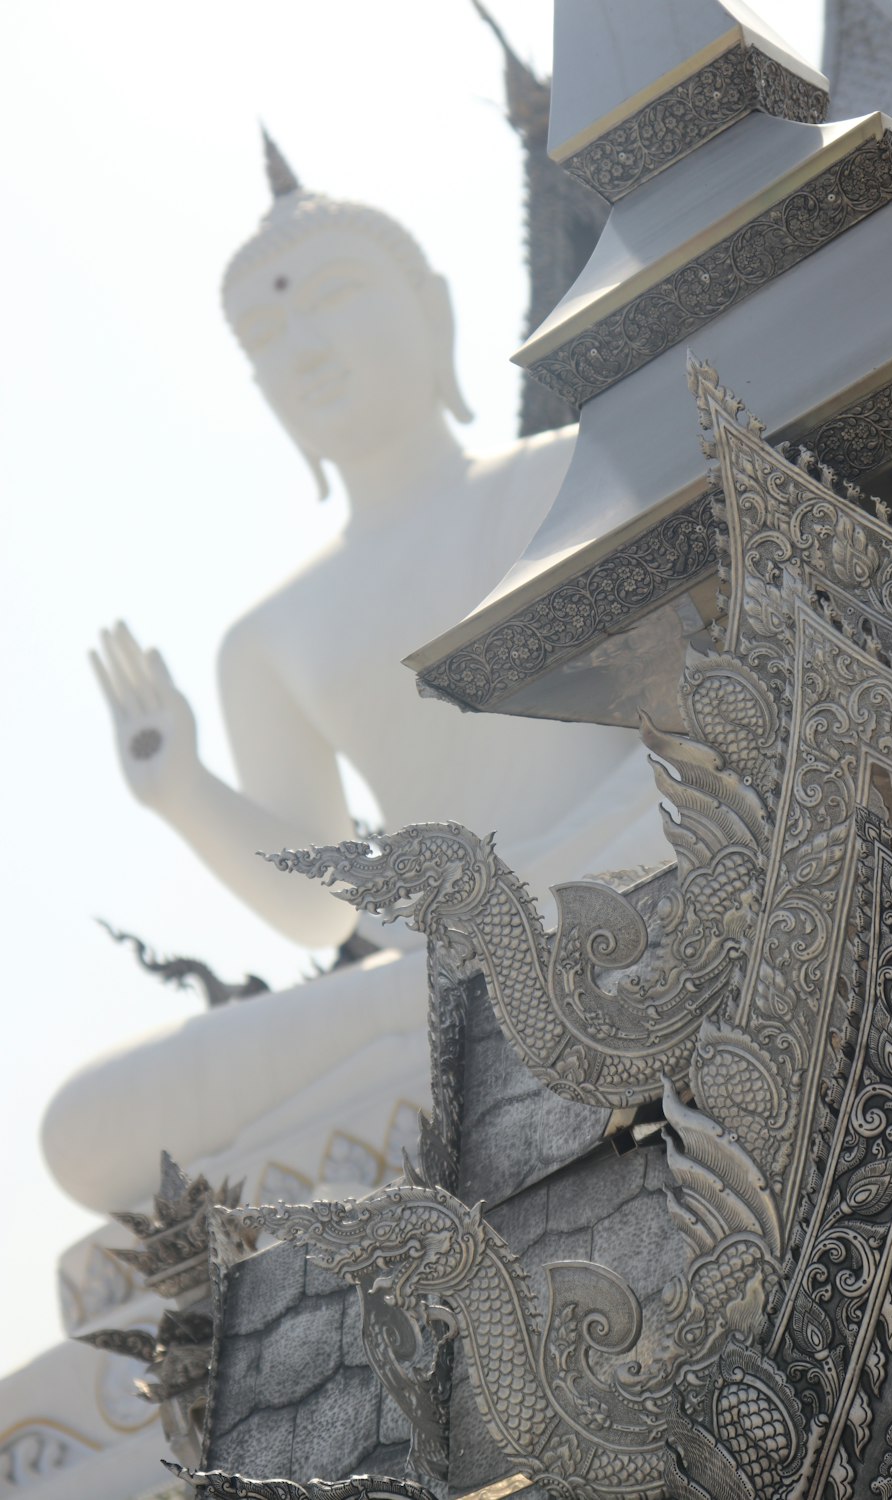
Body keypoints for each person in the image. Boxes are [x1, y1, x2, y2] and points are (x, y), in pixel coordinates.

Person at [45, 138, 667, 1215]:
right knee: (85, 1130)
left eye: (331, 299)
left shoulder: (572, 468)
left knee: (700, 806)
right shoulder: (267, 637)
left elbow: (694, 713)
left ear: (431, 312)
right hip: (437, 953)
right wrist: (183, 792)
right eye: (267, 338)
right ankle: (450, 1004)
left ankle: (472, 998)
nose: (304, 350)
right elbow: (311, 909)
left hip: (621, 855)